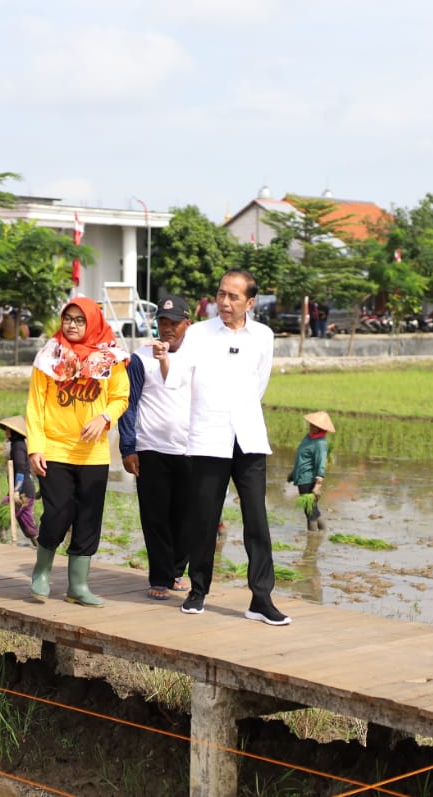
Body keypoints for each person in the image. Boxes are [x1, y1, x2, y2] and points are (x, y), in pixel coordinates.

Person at [153, 268, 290, 626]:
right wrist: (165, 359)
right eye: (221, 295)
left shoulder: (263, 335)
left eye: (233, 297)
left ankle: (261, 598)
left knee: (256, 520)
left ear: (250, 301)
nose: (225, 302)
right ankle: (198, 591)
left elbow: (260, 382)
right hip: (209, 438)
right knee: (204, 519)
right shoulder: (198, 333)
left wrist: (237, 412)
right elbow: (179, 378)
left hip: (248, 437)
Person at [26, 297, 129, 607]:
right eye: (68, 318)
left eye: (79, 320)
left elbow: (120, 397)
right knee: (57, 515)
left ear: (92, 322)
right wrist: (35, 448)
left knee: (88, 518)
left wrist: (104, 417)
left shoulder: (109, 358)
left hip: (94, 455)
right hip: (56, 450)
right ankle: (42, 572)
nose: (71, 324)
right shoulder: (49, 357)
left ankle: (78, 586)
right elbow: (35, 405)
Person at [118, 294, 194, 601]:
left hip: (191, 449)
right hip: (151, 448)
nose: (168, 328)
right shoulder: (140, 357)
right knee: (155, 516)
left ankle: (178, 569)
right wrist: (127, 447)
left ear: (188, 324)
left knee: (189, 516)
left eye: (174, 322)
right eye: (163, 322)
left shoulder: (197, 356)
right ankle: (161, 575)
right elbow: (128, 403)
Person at [0, 415, 39, 545]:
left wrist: (16, 491)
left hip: (22, 492)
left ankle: (40, 548)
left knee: (2, 518)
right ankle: (38, 547)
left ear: (14, 432)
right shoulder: (17, 445)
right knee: (25, 523)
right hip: (23, 490)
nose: (6, 432)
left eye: (8, 430)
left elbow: (20, 469)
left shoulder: (18, 446)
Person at [289, 411, 334, 532]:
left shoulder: (320, 444)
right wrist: (294, 473)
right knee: (311, 509)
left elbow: (321, 464)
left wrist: (317, 485)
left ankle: (312, 538)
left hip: (309, 480)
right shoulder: (308, 437)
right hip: (302, 477)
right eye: (311, 424)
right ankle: (322, 533)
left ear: (320, 428)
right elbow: (302, 458)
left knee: (310, 510)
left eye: (314, 426)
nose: (311, 427)